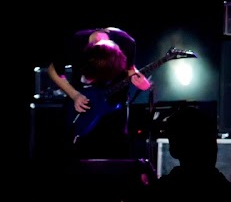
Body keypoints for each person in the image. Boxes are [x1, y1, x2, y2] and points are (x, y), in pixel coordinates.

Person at [46, 27, 152, 160]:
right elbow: (53, 69)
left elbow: (130, 69)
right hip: (83, 104)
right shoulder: (76, 42)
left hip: (114, 108)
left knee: (114, 156)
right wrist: (75, 95)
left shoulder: (127, 43)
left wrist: (141, 82)